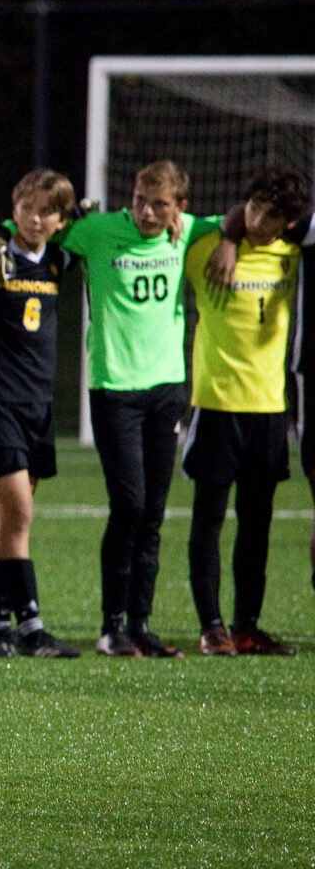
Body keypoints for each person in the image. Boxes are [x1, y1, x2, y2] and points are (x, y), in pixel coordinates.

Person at [61, 160, 221, 658]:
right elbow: (40, 227)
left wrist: (233, 239)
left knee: (152, 512)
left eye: (159, 205)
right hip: (114, 390)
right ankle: (111, 627)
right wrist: (3, 232)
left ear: (181, 208)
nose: (147, 213)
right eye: (139, 202)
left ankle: (141, 624)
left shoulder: (190, 231)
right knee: (128, 505)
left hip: (166, 389)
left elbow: (239, 219)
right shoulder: (99, 230)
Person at [182, 166, 308, 655]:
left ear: (288, 223)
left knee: (257, 524)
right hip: (216, 405)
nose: (258, 219)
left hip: (269, 409)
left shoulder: (294, 255)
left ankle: (247, 626)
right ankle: (212, 626)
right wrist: (229, 236)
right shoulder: (205, 247)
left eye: (272, 214)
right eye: (253, 206)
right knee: (208, 519)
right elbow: (178, 223)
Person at [0, 170, 80, 657]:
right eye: (28, 208)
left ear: (60, 220)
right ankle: (32, 624)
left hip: (39, 402)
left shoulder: (57, 259)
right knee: (18, 510)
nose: (36, 218)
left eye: (47, 211)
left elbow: (88, 229)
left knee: (8, 519)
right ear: (14, 207)